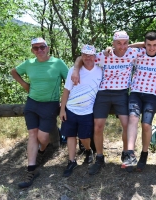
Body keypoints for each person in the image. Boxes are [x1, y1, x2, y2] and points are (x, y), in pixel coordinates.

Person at [71, 31, 145, 175]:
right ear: (113, 43)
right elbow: (83, 57)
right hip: (103, 93)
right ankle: (99, 157)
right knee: (98, 127)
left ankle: (126, 154)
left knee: (126, 124)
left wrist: (129, 45)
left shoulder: (132, 53)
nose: (122, 46)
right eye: (119, 43)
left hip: (122, 93)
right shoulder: (104, 55)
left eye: (125, 43)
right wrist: (75, 70)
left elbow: (147, 44)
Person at [10, 37, 68, 188]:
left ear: (47, 48)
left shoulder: (58, 63)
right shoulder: (29, 64)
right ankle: (31, 170)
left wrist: (63, 102)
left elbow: (69, 82)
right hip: (32, 103)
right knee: (32, 134)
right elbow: (14, 71)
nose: (39, 50)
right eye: (36, 48)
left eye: (42, 47)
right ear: (32, 50)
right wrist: (24, 85)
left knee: (43, 137)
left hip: (50, 104)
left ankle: (43, 150)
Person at [121, 31, 156, 172]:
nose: (152, 48)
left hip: (152, 95)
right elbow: (126, 48)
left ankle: (144, 154)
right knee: (132, 119)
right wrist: (142, 45)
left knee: (146, 125)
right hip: (136, 93)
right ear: (144, 45)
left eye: (155, 45)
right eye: (148, 45)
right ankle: (130, 154)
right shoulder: (138, 53)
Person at [60, 45, 102, 177]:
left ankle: (88, 150)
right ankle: (71, 161)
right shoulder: (73, 70)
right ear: (81, 56)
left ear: (95, 57)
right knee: (70, 135)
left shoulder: (100, 70)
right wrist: (62, 109)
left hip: (88, 110)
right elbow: (66, 90)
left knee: (84, 137)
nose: (87, 58)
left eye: (90, 55)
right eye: (85, 55)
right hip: (71, 108)